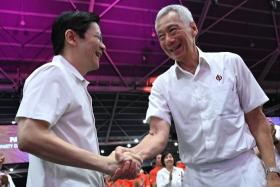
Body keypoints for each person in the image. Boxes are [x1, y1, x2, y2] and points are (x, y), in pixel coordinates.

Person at [116, 4, 280, 187]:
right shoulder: (162, 85)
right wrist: (136, 154)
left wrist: (273, 172)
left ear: (193, 28)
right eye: (161, 37)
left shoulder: (230, 63)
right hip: (197, 178)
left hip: (244, 173)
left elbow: (257, 121)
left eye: (173, 30)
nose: (168, 40)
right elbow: (157, 133)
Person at [15, 11, 142, 187]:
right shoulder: (53, 74)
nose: (104, 46)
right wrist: (105, 163)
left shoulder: (75, 85)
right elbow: (29, 135)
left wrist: (104, 171)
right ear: (71, 37)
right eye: (98, 37)